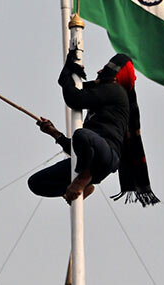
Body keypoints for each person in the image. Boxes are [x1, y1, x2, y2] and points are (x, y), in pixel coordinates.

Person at [29, 51, 132, 203]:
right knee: (36, 183)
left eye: (106, 69)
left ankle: (83, 178)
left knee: (81, 134)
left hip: (106, 156)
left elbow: (74, 98)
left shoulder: (116, 91)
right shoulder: (102, 100)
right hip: (89, 158)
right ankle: (83, 184)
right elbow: (79, 149)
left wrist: (67, 74)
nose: (99, 71)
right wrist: (54, 133)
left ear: (116, 77)